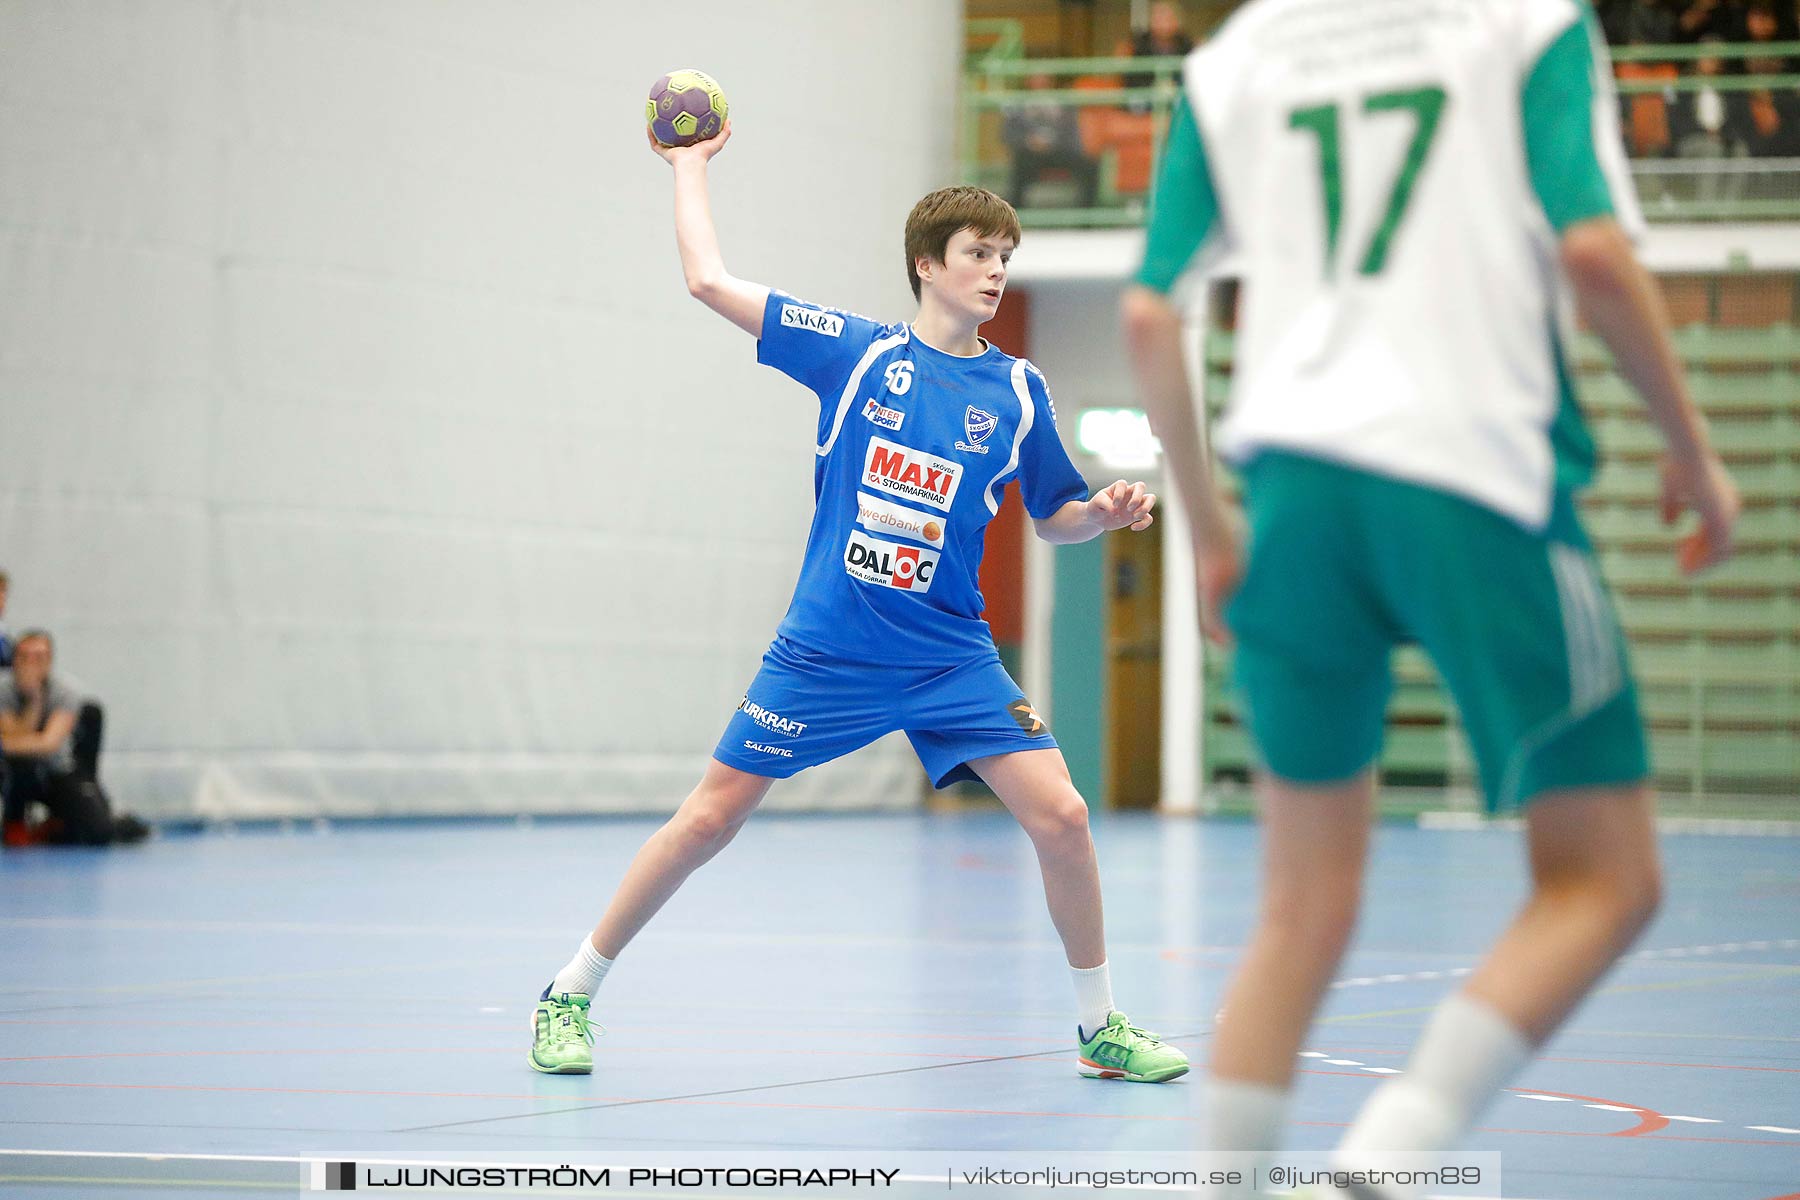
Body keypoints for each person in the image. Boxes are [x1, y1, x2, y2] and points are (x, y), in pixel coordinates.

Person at [1120, 0, 1740, 1195]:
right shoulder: (1526, 23)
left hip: (1292, 493)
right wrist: (1692, 450)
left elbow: (1150, 312)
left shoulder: (1234, 58)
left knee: (1299, 912)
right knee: (1606, 876)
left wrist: (1209, 531)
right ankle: (1394, 1158)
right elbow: (1596, 254)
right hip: (1472, 475)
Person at [522, 119, 1190, 1087]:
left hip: (950, 657)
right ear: (929, 265)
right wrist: (689, 166)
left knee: (1064, 818)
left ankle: (1099, 1028)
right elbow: (708, 280)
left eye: (1005, 257)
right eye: (978, 255)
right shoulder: (859, 355)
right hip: (828, 651)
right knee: (710, 819)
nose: (996, 271)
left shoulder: (1017, 389)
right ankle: (569, 993)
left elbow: (1054, 519)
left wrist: (1105, 511)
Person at [1, 630, 147, 847]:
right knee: (19, 764)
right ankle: (14, 824)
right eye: (25, 657)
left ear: (50, 661)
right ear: (15, 660)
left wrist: (34, 701)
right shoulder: (3, 690)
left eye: (39, 657)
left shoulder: (66, 692)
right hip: (14, 775)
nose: (31, 664)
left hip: (56, 772)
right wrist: (33, 704)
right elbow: (13, 739)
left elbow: (48, 744)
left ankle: (52, 828)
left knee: (99, 832)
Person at [1003, 72, 1101, 209]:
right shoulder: (1018, 106)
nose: (1040, 81)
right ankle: (1015, 214)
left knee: (1090, 163)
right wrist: (1028, 141)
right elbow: (1008, 134)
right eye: (1036, 77)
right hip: (1031, 153)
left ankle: (1088, 218)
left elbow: (1071, 132)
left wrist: (1055, 142)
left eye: (1043, 77)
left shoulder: (1063, 104)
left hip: (1059, 151)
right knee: (1021, 163)